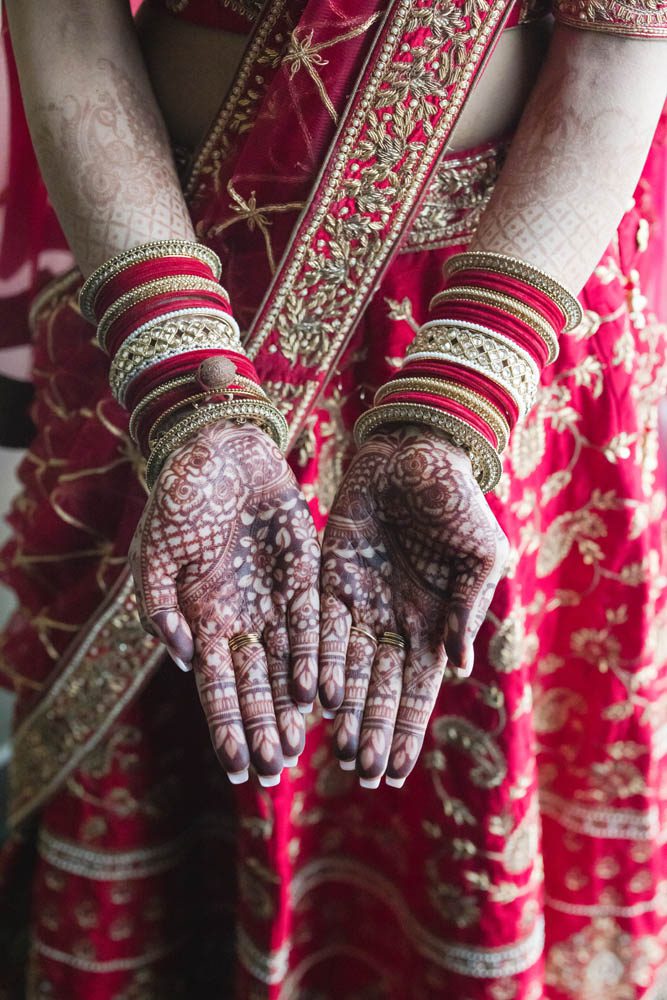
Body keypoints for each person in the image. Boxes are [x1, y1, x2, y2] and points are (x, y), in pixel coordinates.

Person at [0, 0, 666, 996]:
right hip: (175, 293)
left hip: (501, 321)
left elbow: (619, 42)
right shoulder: (174, 361)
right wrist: (183, 391)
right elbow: (66, 25)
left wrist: (454, 405)